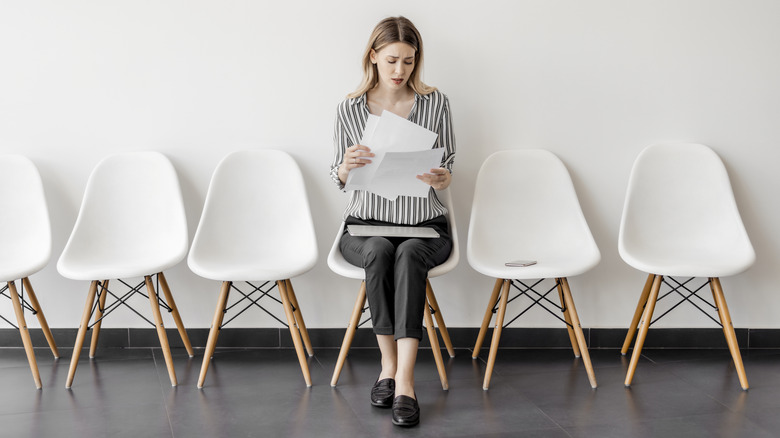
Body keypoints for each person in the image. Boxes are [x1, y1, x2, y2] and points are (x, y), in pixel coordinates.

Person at [330, 16, 456, 427]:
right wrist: (346, 167)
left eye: (408, 61)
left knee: (408, 256)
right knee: (382, 251)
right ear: (373, 57)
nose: (400, 70)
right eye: (391, 61)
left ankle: (404, 381)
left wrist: (443, 176)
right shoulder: (349, 108)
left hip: (425, 227)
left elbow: (449, 164)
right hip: (365, 226)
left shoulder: (435, 103)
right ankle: (387, 365)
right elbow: (339, 179)